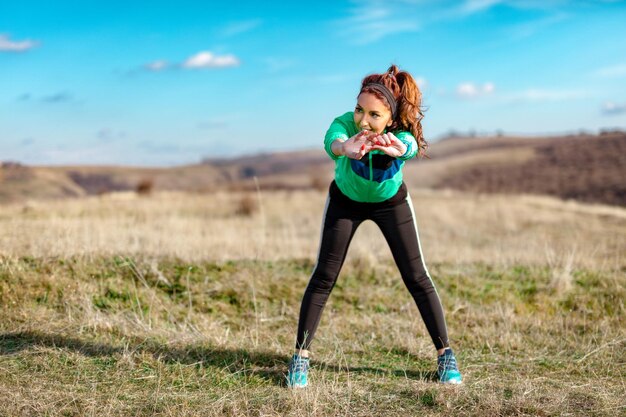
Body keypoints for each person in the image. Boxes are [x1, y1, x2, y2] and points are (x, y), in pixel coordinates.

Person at [286, 64, 463, 388]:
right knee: (324, 276)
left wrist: (402, 148)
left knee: (416, 277)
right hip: (345, 203)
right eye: (359, 109)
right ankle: (299, 358)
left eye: (373, 115)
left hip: (390, 205)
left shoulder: (398, 133)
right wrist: (344, 148)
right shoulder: (345, 124)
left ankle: (445, 356)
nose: (363, 120)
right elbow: (333, 140)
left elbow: (408, 144)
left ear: (389, 118)